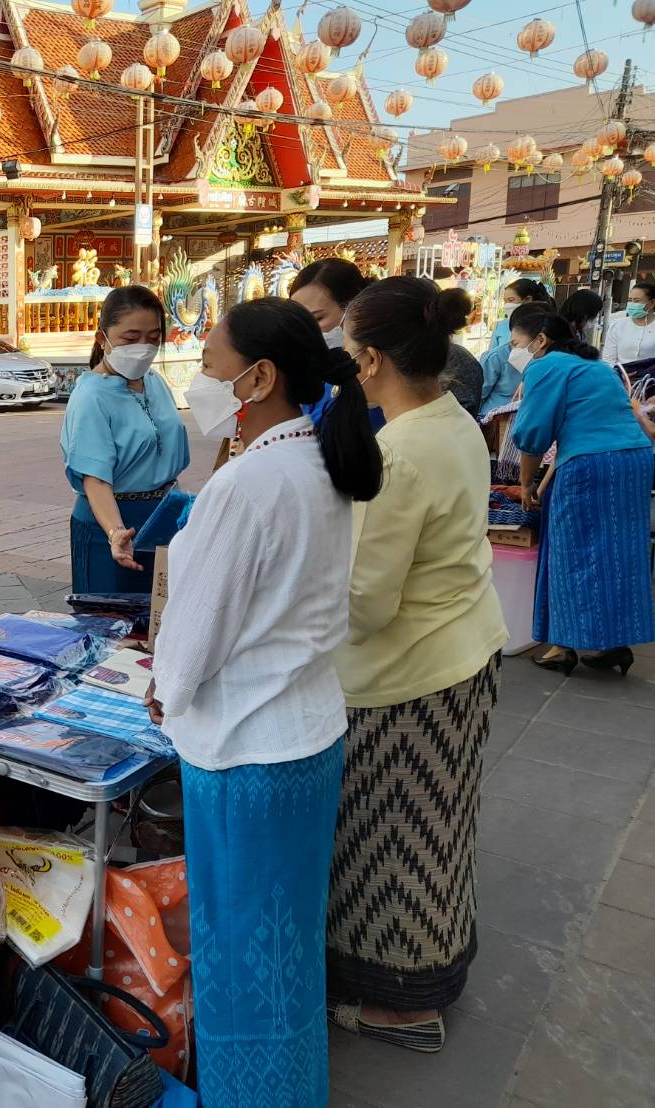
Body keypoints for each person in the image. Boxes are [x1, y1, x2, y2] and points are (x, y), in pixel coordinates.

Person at [144, 297, 382, 1108]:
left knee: (240, 947)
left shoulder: (248, 483)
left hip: (244, 751)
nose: (200, 379)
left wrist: (163, 692)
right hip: (304, 736)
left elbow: (196, 628)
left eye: (207, 363)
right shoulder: (320, 459)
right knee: (284, 948)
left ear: (259, 377)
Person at [328, 277, 508, 1053]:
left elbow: (365, 604)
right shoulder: (454, 420)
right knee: (438, 832)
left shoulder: (394, 454)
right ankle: (428, 977)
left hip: (409, 678)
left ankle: (401, 1006)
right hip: (463, 651)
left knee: (390, 840)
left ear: (369, 361)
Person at [510, 310, 654, 675]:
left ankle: (562, 645)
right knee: (620, 550)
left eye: (516, 342)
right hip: (635, 460)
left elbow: (533, 434)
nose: (516, 350)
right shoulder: (595, 369)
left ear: (539, 340)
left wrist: (527, 484)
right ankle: (614, 644)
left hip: (589, 465)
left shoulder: (545, 367)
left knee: (570, 550)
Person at [59, 285, 189, 593]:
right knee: (112, 628)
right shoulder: (91, 395)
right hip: (113, 523)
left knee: (158, 623)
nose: (143, 347)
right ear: (102, 338)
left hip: (163, 519)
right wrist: (116, 532)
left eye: (153, 338)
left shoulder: (155, 383)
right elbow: (96, 479)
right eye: (130, 339)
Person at [289, 258, 385, 432]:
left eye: (317, 318)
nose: (305, 330)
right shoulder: (312, 376)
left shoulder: (375, 379)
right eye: (299, 321)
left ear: (353, 312)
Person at [601, 279, 655, 366]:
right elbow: (608, 360)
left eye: (637, 301)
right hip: (621, 376)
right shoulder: (617, 326)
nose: (632, 304)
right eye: (630, 300)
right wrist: (621, 374)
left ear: (652, 303)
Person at [492, 277, 552, 349]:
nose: (506, 305)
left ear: (528, 300)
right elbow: (491, 355)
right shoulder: (500, 326)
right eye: (505, 301)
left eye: (511, 300)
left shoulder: (544, 325)